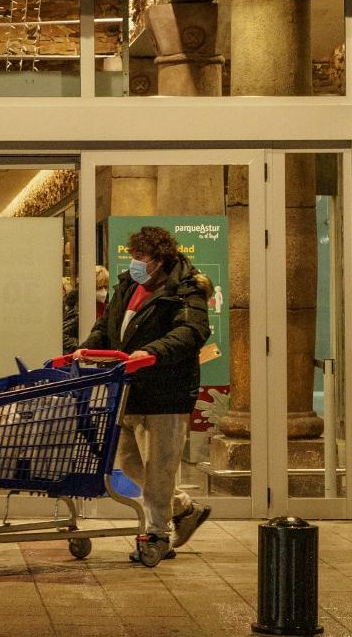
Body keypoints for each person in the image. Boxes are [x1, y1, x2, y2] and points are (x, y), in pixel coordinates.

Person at [77, 226, 212, 565]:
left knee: (160, 467)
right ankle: (183, 508)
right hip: (128, 388)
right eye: (132, 255)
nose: (134, 261)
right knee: (127, 460)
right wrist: (87, 349)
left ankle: (157, 534)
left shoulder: (186, 289)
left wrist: (152, 352)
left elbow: (191, 331)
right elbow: (108, 325)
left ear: (159, 259)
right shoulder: (127, 284)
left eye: (141, 256)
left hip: (166, 390)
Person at [62, 265, 110, 355]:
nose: (103, 291)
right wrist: (78, 349)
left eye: (105, 287)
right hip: (83, 357)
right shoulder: (79, 308)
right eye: (99, 287)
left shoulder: (106, 306)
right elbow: (63, 333)